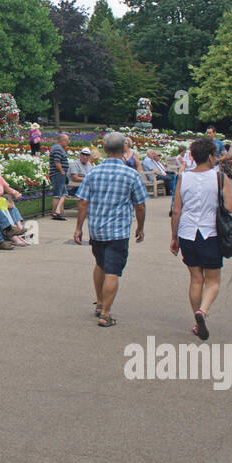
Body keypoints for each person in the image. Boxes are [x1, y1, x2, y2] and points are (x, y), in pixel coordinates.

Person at [73, 132, 148, 327]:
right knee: (112, 270)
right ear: (124, 149)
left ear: (104, 150)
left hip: (97, 229)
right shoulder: (131, 174)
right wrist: (140, 227)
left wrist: (78, 228)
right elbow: (140, 205)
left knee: (100, 264)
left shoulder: (92, 173)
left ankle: (99, 302)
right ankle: (106, 313)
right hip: (118, 231)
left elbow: (83, 203)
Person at [170, 138, 222, 341]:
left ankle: (196, 321)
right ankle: (203, 311)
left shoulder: (183, 178)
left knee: (195, 278)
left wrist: (174, 237)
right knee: (213, 280)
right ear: (210, 157)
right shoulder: (219, 178)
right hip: (210, 232)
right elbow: (230, 205)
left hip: (187, 232)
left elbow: (176, 210)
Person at [49, 132, 71, 220]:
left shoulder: (58, 148)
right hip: (57, 174)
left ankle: (57, 211)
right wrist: (61, 171)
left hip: (60, 174)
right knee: (57, 194)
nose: (68, 143)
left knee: (64, 193)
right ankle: (55, 213)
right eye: (67, 141)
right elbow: (56, 161)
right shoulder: (58, 149)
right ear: (63, 141)